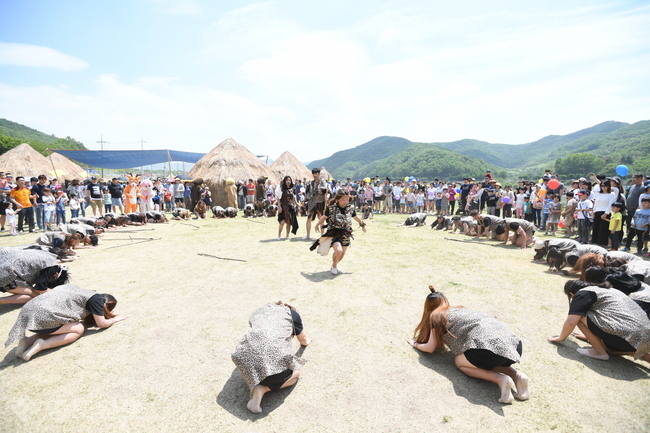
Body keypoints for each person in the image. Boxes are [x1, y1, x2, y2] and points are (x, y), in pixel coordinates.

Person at [408, 287, 529, 404]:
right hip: (515, 346)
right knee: (489, 357)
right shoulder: (460, 309)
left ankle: (500, 379)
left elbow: (430, 348)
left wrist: (416, 344)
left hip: (487, 351)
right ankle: (517, 376)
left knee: (461, 363)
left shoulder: (436, 316)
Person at [5, 284, 126, 361]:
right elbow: (102, 324)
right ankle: (42, 344)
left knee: (61, 326)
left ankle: (28, 340)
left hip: (27, 314)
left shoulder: (80, 291)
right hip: (42, 317)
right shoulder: (96, 300)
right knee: (78, 329)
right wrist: (113, 319)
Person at [231, 302, 311, 414]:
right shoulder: (293, 315)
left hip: (243, 359)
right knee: (296, 374)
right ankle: (262, 389)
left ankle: (257, 383)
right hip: (272, 366)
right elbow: (303, 340)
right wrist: (307, 341)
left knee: (261, 359)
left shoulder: (260, 310)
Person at [548, 280, 650, 362]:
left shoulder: (582, 294)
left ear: (571, 294)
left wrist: (561, 338)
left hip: (626, 336)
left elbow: (571, 322)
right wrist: (589, 336)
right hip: (645, 336)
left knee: (579, 316)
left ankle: (599, 352)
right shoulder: (609, 290)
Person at [313, 189, 367, 275]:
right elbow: (324, 217)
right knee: (338, 250)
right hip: (334, 232)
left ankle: (334, 265)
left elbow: (355, 217)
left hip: (346, 233)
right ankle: (334, 266)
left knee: (343, 253)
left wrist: (362, 224)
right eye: (343, 199)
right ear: (338, 199)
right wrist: (317, 225)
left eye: (347, 199)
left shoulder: (351, 208)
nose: (345, 201)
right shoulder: (331, 208)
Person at [0, 249, 70, 305]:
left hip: (4, 263)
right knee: (36, 296)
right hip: (4, 273)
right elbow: (39, 289)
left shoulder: (48, 257)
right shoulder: (52, 268)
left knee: (31, 294)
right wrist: (55, 293)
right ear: (56, 275)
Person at [303, 168, 330, 240]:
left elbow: (328, 192)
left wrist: (327, 196)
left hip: (320, 202)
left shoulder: (323, 183)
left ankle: (322, 234)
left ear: (319, 174)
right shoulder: (310, 183)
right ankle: (308, 235)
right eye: (314, 174)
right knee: (309, 218)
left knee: (321, 218)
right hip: (311, 202)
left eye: (317, 173)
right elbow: (307, 193)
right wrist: (304, 201)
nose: (316, 175)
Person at [275, 176, 299, 240]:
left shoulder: (292, 188)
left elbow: (294, 197)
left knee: (289, 222)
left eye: (289, 181)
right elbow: (278, 198)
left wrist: (297, 204)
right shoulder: (281, 188)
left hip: (290, 206)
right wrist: (279, 206)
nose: (288, 182)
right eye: (287, 180)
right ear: (285, 181)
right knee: (282, 222)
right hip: (283, 206)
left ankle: (287, 235)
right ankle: (279, 235)